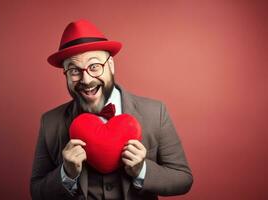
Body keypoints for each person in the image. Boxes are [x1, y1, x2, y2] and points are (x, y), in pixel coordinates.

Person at [30, 19, 193, 200]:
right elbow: (37, 192)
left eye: (94, 66)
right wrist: (66, 173)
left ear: (110, 66)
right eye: (74, 70)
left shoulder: (155, 113)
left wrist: (142, 170)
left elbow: (183, 179)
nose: (86, 79)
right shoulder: (50, 122)